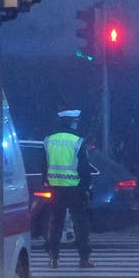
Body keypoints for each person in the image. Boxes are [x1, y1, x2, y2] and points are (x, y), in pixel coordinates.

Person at [44, 109, 95, 269]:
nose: (77, 123)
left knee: (55, 223)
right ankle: (84, 259)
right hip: (75, 189)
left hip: (55, 188)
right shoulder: (77, 141)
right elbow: (84, 167)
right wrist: (87, 186)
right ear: (72, 122)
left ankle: (53, 258)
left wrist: (45, 181)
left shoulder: (49, 140)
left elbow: (43, 164)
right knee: (80, 225)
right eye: (76, 121)